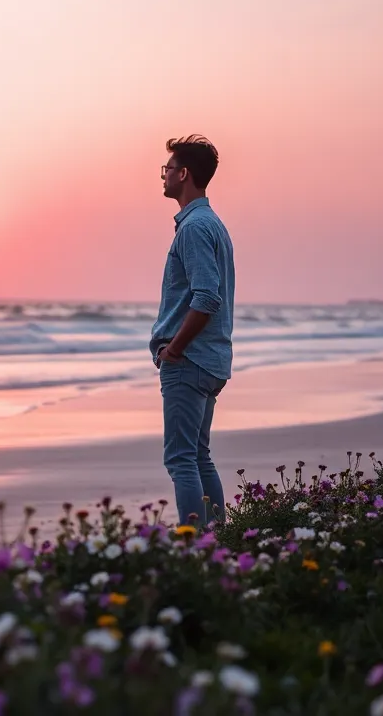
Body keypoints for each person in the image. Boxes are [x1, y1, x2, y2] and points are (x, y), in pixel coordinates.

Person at [149, 134, 235, 529]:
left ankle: (196, 547)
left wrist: (175, 349)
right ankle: (217, 543)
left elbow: (207, 297)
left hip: (191, 360)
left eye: (167, 169)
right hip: (210, 358)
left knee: (182, 459)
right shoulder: (210, 224)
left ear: (184, 174)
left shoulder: (195, 228)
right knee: (199, 455)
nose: (163, 176)